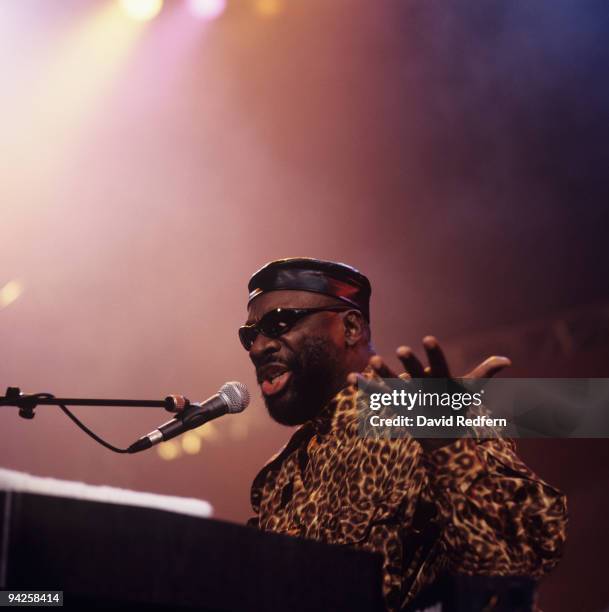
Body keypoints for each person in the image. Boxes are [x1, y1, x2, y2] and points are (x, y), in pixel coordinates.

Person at [241, 257, 567, 611]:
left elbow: (523, 557)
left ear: (350, 327)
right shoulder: (278, 478)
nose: (258, 347)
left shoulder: (426, 411)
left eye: (279, 323)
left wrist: (449, 448)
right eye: (249, 335)